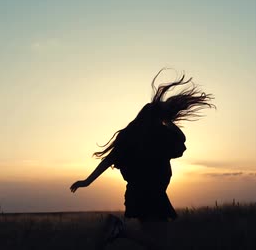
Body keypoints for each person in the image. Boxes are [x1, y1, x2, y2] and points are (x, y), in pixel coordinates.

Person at [70, 70, 215, 250]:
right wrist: (169, 122)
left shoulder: (130, 135)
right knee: (160, 245)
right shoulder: (159, 135)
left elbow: (109, 160)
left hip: (140, 193)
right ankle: (120, 230)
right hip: (150, 194)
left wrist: (87, 181)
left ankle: (120, 230)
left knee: (155, 242)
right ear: (158, 117)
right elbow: (181, 140)